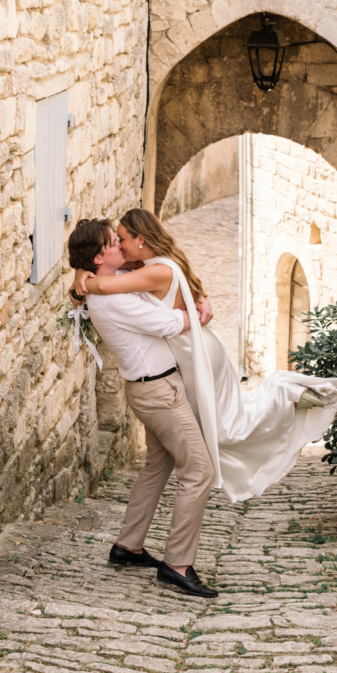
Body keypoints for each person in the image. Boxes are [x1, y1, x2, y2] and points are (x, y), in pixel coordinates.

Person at [73, 207, 337, 506]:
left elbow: (104, 284)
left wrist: (84, 280)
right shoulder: (144, 266)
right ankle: (128, 547)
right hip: (194, 345)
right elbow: (111, 275)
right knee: (216, 423)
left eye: (121, 239)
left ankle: (285, 392)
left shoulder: (152, 270)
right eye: (115, 242)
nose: (119, 246)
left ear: (141, 240)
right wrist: (81, 270)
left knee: (225, 426)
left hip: (193, 347)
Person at [66, 218, 219, 599]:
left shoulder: (108, 284)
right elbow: (170, 323)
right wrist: (198, 313)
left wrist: (82, 274)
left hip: (151, 389)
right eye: (114, 242)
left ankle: (128, 546)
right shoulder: (113, 300)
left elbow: (114, 271)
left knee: (157, 465)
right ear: (101, 256)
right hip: (159, 394)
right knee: (199, 470)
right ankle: (177, 564)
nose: (122, 245)